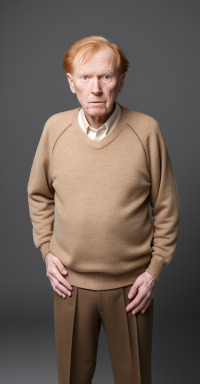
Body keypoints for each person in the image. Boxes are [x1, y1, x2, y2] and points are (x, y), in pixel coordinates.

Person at [27, 35, 180, 384]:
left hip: (132, 288)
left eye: (106, 77)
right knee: (71, 378)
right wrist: (47, 251)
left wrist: (154, 271)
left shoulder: (147, 131)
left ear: (121, 81)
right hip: (69, 285)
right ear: (71, 83)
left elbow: (167, 207)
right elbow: (38, 195)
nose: (95, 88)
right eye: (85, 77)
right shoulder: (54, 129)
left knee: (134, 378)